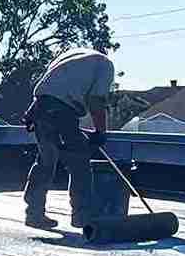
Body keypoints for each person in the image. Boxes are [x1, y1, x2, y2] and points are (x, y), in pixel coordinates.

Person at [21, 46, 115, 229]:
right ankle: (82, 216)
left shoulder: (70, 55)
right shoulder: (105, 64)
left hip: (41, 108)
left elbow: (48, 86)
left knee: (46, 161)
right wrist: (101, 132)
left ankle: (34, 213)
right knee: (79, 163)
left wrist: (31, 112)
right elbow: (97, 101)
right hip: (62, 112)